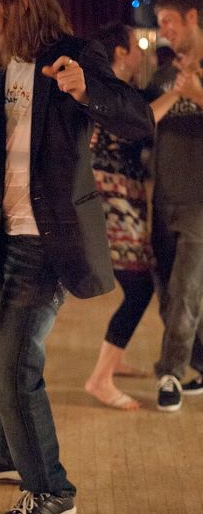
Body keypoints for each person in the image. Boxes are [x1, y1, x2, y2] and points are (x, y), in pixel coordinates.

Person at [0, 0, 154, 514]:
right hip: (0, 237)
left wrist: (88, 90)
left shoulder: (73, 54)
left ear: (16, 4)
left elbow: (139, 120)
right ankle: (7, 453)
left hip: (50, 240)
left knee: (14, 365)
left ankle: (52, 491)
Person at [85, 22, 187, 410]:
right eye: (136, 45)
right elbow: (140, 121)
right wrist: (179, 91)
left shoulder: (116, 89)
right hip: (110, 197)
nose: (143, 52)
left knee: (135, 285)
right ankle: (100, 378)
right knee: (140, 288)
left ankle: (114, 358)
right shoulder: (108, 90)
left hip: (119, 194)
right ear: (120, 52)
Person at [144, 0, 203, 411]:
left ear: (192, 18)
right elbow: (143, 120)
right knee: (168, 291)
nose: (163, 30)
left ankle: (170, 373)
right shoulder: (163, 76)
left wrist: (197, 94)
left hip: (200, 204)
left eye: (169, 21)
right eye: (160, 22)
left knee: (184, 290)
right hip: (163, 199)